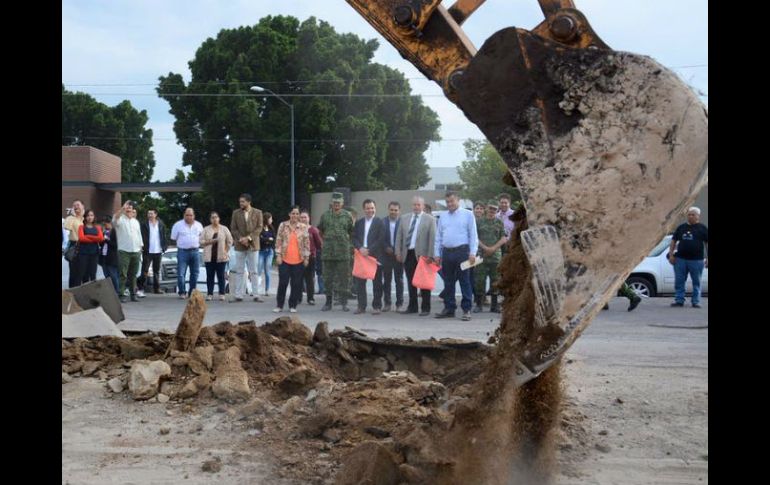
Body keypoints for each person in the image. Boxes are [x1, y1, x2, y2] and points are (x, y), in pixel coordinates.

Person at [434, 191, 478, 321]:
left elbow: (473, 235)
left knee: (465, 281)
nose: (449, 204)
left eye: (452, 201)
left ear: (458, 200)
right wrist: (437, 254)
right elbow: (439, 237)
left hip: (462, 252)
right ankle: (449, 308)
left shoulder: (468, 215)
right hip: (447, 253)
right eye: (447, 202)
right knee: (448, 282)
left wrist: (473, 253)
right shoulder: (443, 216)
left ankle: (466, 309)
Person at [395, 196, 436, 317]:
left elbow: (432, 239)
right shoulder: (404, 218)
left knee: (424, 283)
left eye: (419, 205)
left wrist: (430, 255)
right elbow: (399, 237)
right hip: (408, 254)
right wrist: (398, 252)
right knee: (411, 282)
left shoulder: (430, 219)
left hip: (423, 256)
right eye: (414, 205)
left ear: (423, 206)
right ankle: (412, 307)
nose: (416, 207)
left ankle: (425, 307)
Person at [317, 192, 354, 312]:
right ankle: (328, 302)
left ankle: (344, 303)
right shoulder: (325, 215)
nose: (336, 204)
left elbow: (351, 231)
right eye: (334, 202)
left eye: (338, 202)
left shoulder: (347, 216)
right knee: (327, 278)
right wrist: (327, 241)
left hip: (343, 252)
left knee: (344, 278)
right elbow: (320, 230)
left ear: (342, 203)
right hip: (328, 253)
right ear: (331, 203)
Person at [273, 206, 310, 313]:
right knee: (283, 282)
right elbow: (278, 241)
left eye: (297, 214)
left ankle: (293, 305)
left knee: (296, 284)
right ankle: (279, 305)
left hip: (299, 260)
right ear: (289, 214)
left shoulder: (303, 227)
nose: (295, 216)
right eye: (293, 213)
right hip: (284, 259)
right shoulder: (283, 225)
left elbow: (307, 243)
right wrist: (278, 255)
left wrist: (306, 257)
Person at [669, 207, 708, 308]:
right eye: (689, 214)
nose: (690, 216)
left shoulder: (703, 228)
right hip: (681, 259)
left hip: (697, 260)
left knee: (697, 282)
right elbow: (673, 241)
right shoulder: (681, 227)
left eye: (693, 214)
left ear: (698, 216)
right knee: (679, 280)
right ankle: (679, 300)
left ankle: (696, 301)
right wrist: (671, 254)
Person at [352, 199, 387, 315]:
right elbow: (354, 238)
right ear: (364, 209)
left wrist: (369, 250)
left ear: (375, 208)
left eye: (372, 208)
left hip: (375, 256)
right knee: (360, 283)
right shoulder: (359, 223)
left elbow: (381, 239)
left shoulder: (380, 222)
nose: (370, 210)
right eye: (368, 208)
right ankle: (361, 306)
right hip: (361, 256)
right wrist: (360, 248)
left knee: (377, 283)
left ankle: (377, 306)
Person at [473, 201, 507, 313]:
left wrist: (493, 248)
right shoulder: (478, 222)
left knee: (495, 281)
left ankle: (494, 305)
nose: (492, 211)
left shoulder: (499, 222)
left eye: (494, 209)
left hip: (495, 257)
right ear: (487, 209)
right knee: (479, 280)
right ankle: (479, 304)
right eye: (490, 209)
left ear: (497, 210)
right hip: (481, 255)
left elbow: (503, 238)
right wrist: (485, 248)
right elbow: (474, 237)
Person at [230, 194, 264, 302]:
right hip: (240, 244)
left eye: (243, 202)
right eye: (240, 202)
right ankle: (239, 295)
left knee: (253, 270)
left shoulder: (258, 212)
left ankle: (256, 294)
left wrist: (248, 238)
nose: (241, 204)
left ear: (249, 202)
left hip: (253, 245)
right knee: (239, 270)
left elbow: (259, 228)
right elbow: (233, 228)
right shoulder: (236, 213)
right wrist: (241, 239)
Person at [113, 201, 144, 302]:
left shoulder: (136, 221)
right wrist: (122, 208)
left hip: (136, 250)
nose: (129, 210)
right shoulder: (120, 219)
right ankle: (121, 294)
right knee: (123, 274)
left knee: (133, 275)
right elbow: (114, 219)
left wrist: (140, 248)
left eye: (130, 208)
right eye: (127, 208)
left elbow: (139, 235)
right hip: (124, 251)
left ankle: (133, 294)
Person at [170, 207, 204, 299]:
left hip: (195, 251)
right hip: (182, 251)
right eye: (187, 215)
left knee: (195, 273)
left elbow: (202, 237)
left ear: (194, 216)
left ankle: (192, 292)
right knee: (181, 273)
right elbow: (173, 238)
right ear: (184, 215)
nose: (189, 217)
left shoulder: (199, 225)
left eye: (191, 215)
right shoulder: (178, 225)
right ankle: (182, 292)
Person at [200, 211, 233, 301]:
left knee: (221, 276)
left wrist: (226, 250)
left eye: (216, 217)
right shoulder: (206, 229)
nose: (214, 219)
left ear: (219, 218)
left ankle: (222, 293)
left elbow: (230, 241)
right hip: (209, 257)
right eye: (212, 217)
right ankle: (210, 294)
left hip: (221, 257)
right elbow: (201, 242)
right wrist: (212, 241)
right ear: (210, 219)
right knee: (209, 276)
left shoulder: (224, 229)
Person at [137, 209, 168, 297]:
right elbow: (140, 236)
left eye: (151, 213)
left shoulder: (161, 224)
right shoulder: (144, 224)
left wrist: (164, 247)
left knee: (156, 271)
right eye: (148, 213)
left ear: (155, 214)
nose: (149, 215)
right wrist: (141, 246)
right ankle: (140, 288)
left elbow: (164, 236)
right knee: (144, 271)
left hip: (158, 250)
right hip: (148, 251)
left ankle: (156, 288)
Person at [381, 201, 404, 312]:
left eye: (395, 210)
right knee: (387, 281)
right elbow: (380, 237)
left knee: (399, 281)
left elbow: (405, 239)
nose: (393, 212)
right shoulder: (383, 222)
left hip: (398, 256)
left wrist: (398, 251)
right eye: (391, 210)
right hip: (386, 255)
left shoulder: (403, 222)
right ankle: (387, 303)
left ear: (399, 211)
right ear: (388, 210)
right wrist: (386, 247)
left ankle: (399, 304)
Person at [76, 209, 104, 285]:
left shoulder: (98, 227)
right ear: (85, 217)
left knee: (93, 274)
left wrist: (87, 236)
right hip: (83, 253)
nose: (90, 217)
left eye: (91, 215)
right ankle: (85, 292)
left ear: (94, 217)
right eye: (88, 215)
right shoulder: (81, 227)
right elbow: (81, 238)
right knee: (83, 273)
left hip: (94, 253)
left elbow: (101, 239)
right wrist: (95, 239)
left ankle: (93, 293)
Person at [300, 210, 322, 305]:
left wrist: (313, 252)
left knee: (309, 278)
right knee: (298, 278)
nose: (303, 219)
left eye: (305, 217)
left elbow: (319, 244)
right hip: (298, 257)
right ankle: (298, 297)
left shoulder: (313, 230)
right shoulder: (296, 229)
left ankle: (310, 298)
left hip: (310, 257)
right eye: (302, 217)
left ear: (309, 218)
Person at [64, 200, 85, 287]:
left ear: (83, 207)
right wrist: (72, 216)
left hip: (86, 246)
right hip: (75, 246)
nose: (76, 207)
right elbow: (66, 227)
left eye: (78, 205)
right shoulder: (70, 218)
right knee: (74, 272)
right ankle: (73, 293)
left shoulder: (86, 218)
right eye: (74, 205)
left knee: (83, 272)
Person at [99, 216, 120, 294]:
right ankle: (111, 292)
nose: (105, 226)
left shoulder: (115, 232)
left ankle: (117, 291)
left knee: (113, 276)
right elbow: (101, 244)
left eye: (106, 224)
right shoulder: (104, 232)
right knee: (106, 275)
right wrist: (102, 240)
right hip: (104, 256)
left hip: (112, 257)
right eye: (104, 224)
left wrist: (107, 240)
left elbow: (116, 245)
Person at [257, 212, 276, 297]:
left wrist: (266, 239)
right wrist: (268, 239)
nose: (272, 220)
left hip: (270, 251)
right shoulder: (260, 228)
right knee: (259, 270)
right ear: (266, 219)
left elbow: (274, 238)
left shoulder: (272, 228)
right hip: (261, 251)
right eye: (270, 218)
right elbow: (260, 239)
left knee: (267, 271)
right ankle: (256, 289)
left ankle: (267, 289)